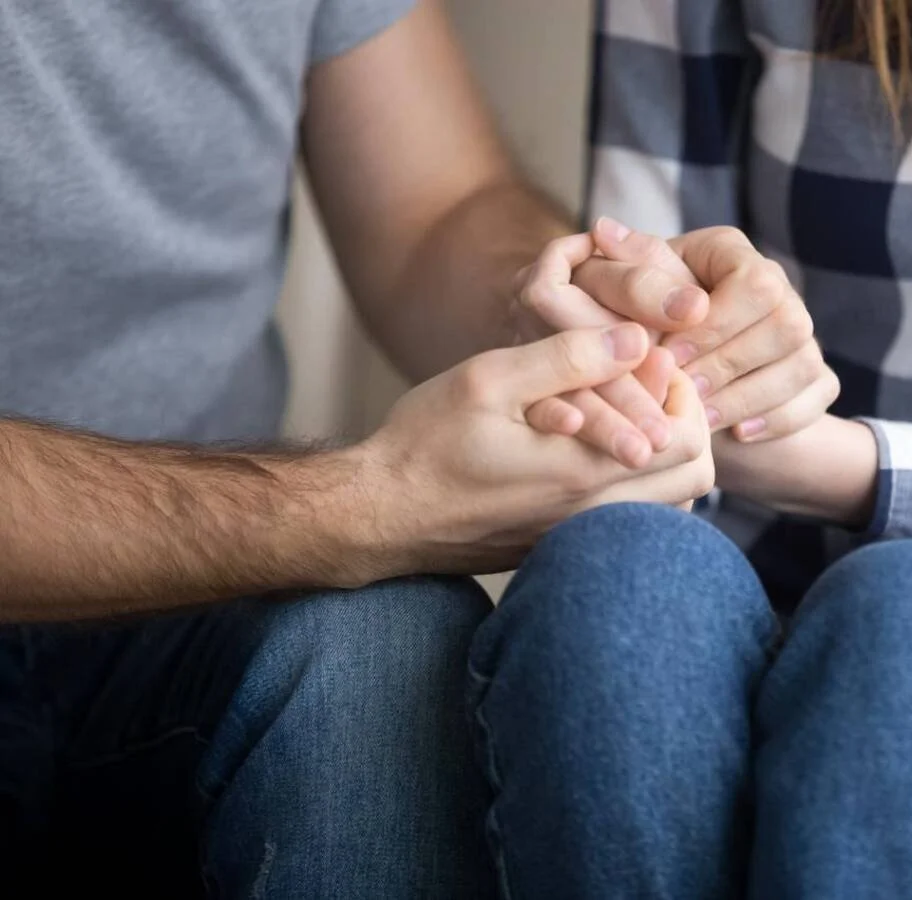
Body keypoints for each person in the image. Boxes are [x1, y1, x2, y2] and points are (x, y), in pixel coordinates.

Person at [0, 0, 823, 894]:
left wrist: (570, 311)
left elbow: (436, 210)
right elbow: (362, 508)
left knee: (383, 647)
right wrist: (359, 503)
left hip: (180, 621)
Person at [468, 0, 912, 896]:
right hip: (765, 605)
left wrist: (849, 466)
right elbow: (644, 287)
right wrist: (628, 330)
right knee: (613, 573)